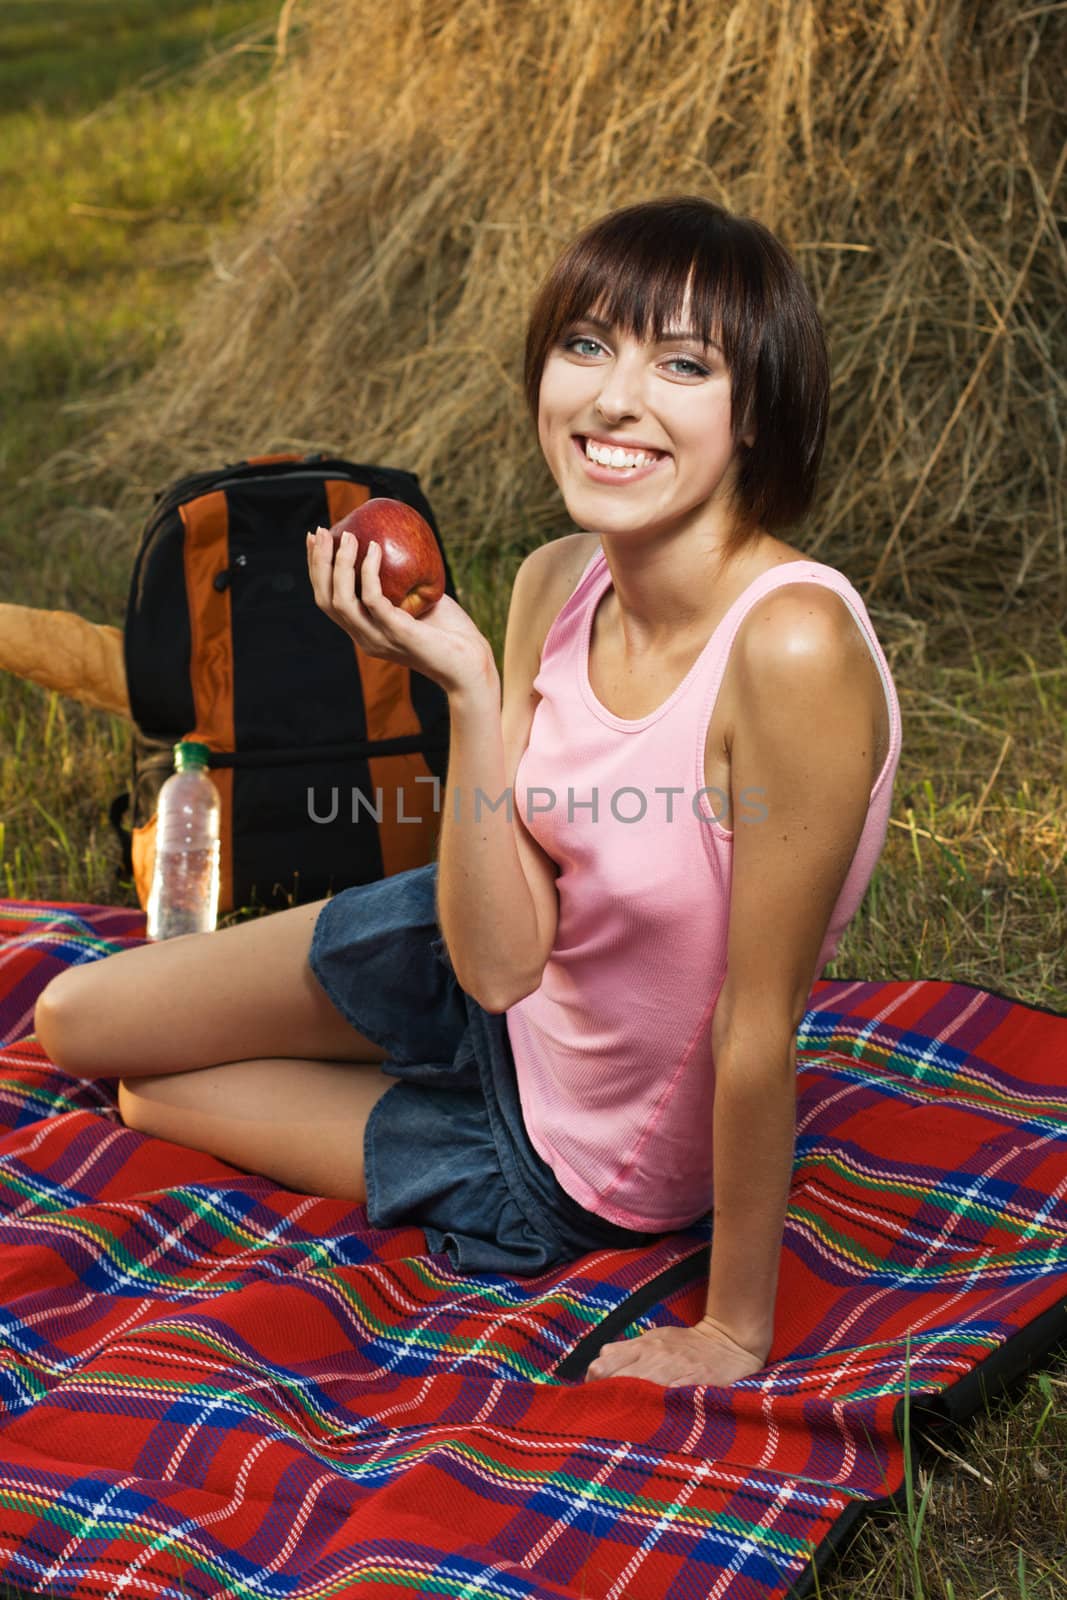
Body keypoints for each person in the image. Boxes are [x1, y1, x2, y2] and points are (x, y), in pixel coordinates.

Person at [33, 195, 901, 1389]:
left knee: (147, 1096)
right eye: (586, 345)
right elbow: (502, 964)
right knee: (74, 1022)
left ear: (754, 413)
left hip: (564, 1148)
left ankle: (378, 1079)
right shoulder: (558, 577)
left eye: (681, 364)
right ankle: (367, 1049)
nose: (611, 398)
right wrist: (471, 693)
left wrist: (731, 1329)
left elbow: (758, 1021)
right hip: (494, 969)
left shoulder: (789, 648)